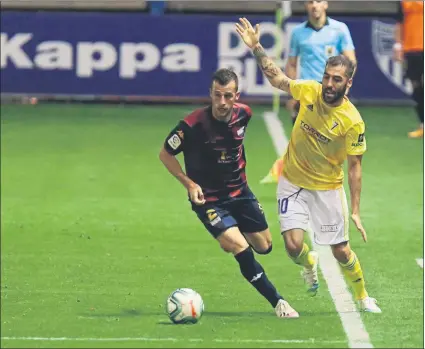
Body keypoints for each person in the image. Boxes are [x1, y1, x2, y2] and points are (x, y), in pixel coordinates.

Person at [235, 17, 381, 313]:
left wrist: (354, 209)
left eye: (336, 79)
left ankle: (363, 296)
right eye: (327, 76)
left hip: (327, 187)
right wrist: (257, 47)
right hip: (292, 180)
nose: (328, 83)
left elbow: (355, 166)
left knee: (341, 251)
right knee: (292, 246)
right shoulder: (310, 91)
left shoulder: (353, 121)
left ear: (348, 83)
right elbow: (278, 79)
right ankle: (309, 262)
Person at [159, 68, 299, 318]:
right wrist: (189, 184)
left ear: (236, 96)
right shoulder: (192, 125)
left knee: (265, 246)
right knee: (240, 247)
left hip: (240, 193)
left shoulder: (245, 114)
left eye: (227, 96)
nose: (221, 102)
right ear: (210, 94)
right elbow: (165, 154)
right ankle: (278, 302)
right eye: (217, 95)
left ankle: (230, 229)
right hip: (209, 200)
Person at [261, 0, 356, 184]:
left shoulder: (340, 29)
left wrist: (343, 88)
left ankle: (325, 179)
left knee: (331, 141)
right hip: (307, 92)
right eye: (310, 2)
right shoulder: (298, 33)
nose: (315, 6)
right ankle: (299, 179)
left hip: (332, 93)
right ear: (305, 6)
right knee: (304, 139)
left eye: (318, 1)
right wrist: (292, 94)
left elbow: (351, 61)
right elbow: (291, 64)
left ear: (326, 4)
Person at [394, 0, 424, 138]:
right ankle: (423, 125)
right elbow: (399, 23)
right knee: (416, 87)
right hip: (411, 50)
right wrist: (398, 45)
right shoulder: (403, 2)